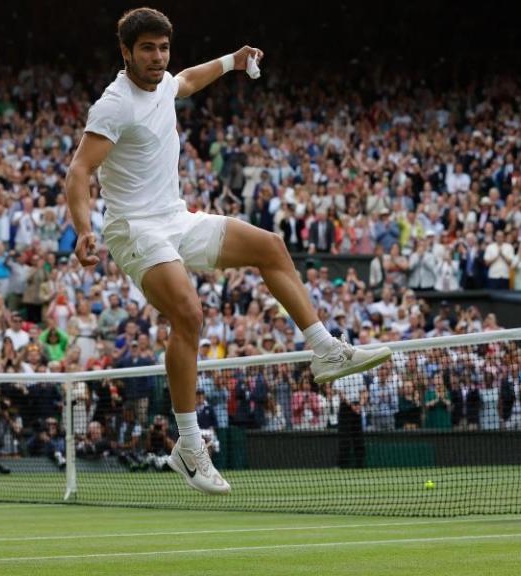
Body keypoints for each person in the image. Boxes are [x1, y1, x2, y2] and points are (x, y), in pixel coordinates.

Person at [66, 7, 390, 494]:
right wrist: (81, 229)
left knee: (271, 247)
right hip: (135, 228)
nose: (158, 58)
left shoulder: (165, 84)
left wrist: (233, 61)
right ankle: (190, 446)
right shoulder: (114, 105)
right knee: (190, 316)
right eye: (148, 49)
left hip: (176, 217)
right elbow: (78, 171)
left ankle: (325, 350)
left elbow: (189, 80)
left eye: (163, 48)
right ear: (126, 52)